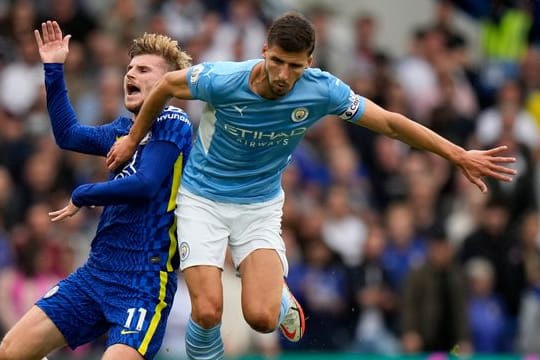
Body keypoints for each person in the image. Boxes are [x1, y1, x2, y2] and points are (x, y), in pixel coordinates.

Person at [106, 12, 517, 360]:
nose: (285, 75)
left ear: (310, 62)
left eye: (296, 66)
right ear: (265, 51)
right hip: (202, 200)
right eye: (279, 62)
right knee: (209, 310)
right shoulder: (221, 78)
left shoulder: (322, 89)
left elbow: (391, 122)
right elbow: (164, 86)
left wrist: (458, 155)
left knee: (262, 318)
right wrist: (130, 139)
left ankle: (280, 299)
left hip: (259, 206)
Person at [0, 21, 193, 360]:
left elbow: (146, 185)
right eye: (129, 67)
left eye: (143, 69)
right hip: (96, 272)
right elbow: (68, 135)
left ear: (167, 83)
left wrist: (82, 194)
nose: (130, 74)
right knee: (11, 351)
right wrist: (54, 68)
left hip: (143, 282)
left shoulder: (173, 122)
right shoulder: (122, 130)